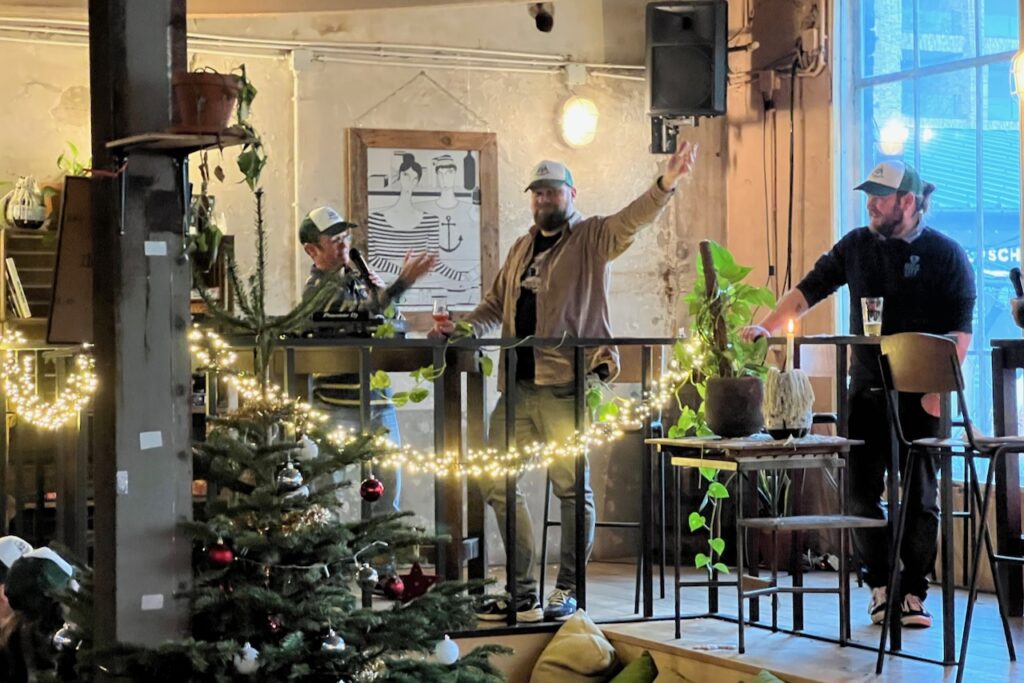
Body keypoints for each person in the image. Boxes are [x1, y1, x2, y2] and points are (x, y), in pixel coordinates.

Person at [432, 143, 699, 622]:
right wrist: (463, 328)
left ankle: (568, 589)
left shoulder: (593, 238)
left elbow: (632, 219)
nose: (543, 199)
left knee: (572, 489)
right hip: (516, 387)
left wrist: (666, 183)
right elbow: (494, 305)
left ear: (571, 194)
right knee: (496, 481)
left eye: (552, 191)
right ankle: (520, 591)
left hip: (567, 385)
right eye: (537, 193)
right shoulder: (520, 248)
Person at [744, 160, 975, 629]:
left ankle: (913, 592)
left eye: (880, 197)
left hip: (922, 394)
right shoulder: (855, 245)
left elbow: (960, 331)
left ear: (908, 201)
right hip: (866, 391)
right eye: (868, 195)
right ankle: (881, 586)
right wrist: (766, 327)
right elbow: (808, 291)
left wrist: (937, 390)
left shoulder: (947, 254)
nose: (871, 204)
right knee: (858, 496)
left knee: (920, 497)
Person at [300, 206, 437, 513]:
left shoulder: (358, 279)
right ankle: (329, 547)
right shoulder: (316, 290)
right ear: (312, 250)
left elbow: (391, 320)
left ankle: (384, 546)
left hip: (378, 402)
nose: (343, 243)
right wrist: (400, 284)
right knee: (326, 498)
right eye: (333, 239)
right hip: (336, 406)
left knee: (387, 495)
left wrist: (382, 291)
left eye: (345, 236)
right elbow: (360, 314)